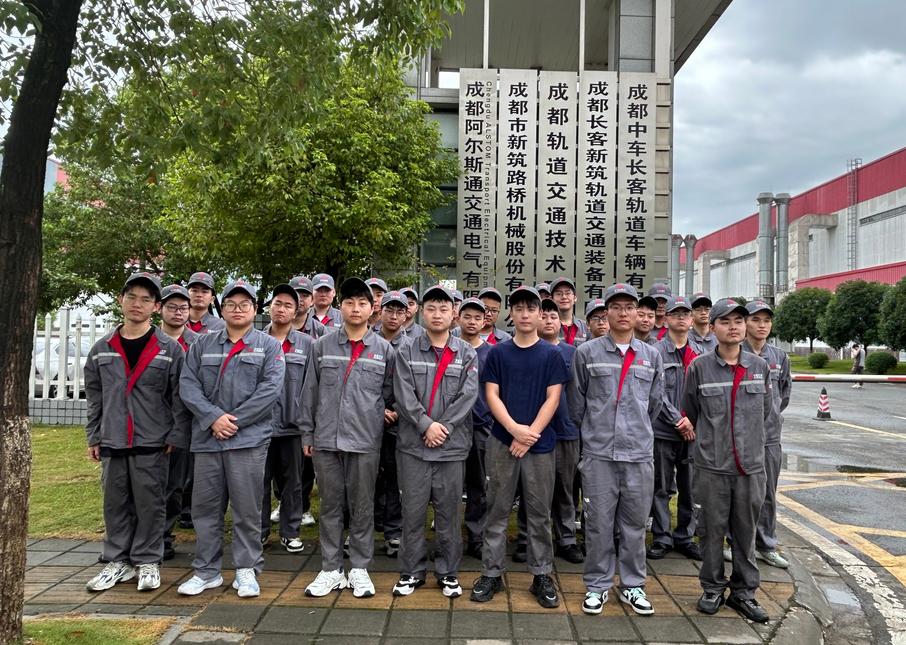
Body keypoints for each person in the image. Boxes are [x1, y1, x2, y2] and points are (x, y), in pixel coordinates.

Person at [178, 279, 285, 598]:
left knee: (247, 508)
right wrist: (213, 418)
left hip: (248, 441)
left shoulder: (268, 346)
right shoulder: (202, 345)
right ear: (221, 309)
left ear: (255, 309)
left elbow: (270, 390)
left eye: (244, 305)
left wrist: (232, 421)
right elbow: (188, 385)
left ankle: (246, 569)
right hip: (208, 440)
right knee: (205, 509)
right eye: (231, 304)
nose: (237, 310)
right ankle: (206, 571)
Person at [84, 272, 190, 593]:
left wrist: (175, 436)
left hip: (153, 441)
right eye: (131, 297)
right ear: (121, 300)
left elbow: (179, 398)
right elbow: (95, 397)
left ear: (156, 307)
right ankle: (117, 560)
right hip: (113, 438)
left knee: (150, 503)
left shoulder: (169, 349)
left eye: (146, 299)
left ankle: (147, 560)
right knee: (115, 502)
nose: (137, 304)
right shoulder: (102, 349)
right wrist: (94, 435)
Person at [568, 283, 664, 617]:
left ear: (638, 313)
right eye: (616, 307)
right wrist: (595, 435)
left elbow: (654, 404)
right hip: (599, 455)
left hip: (638, 454)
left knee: (635, 524)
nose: (623, 313)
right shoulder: (587, 353)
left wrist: (635, 431)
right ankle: (597, 585)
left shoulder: (651, 355)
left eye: (629, 307)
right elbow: (577, 404)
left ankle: (633, 585)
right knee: (597, 523)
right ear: (605, 313)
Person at [470, 286, 568, 609]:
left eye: (531, 309)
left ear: (540, 314)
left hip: (540, 445)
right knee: (497, 510)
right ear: (510, 314)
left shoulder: (552, 355)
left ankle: (541, 575)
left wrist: (529, 435)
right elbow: (491, 395)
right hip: (502, 442)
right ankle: (491, 573)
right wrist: (514, 430)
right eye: (519, 309)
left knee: (539, 514)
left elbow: (553, 398)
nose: (525, 314)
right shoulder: (498, 353)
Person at [301, 278, 395, 599]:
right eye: (350, 302)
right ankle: (330, 569)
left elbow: (391, 393)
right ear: (340, 307)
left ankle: (359, 568)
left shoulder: (384, 350)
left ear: (373, 309)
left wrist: (383, 413)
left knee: (362, 505)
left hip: (365, 441)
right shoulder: (321, 346)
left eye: (362, 303)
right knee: (330, 505)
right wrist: (308, 433)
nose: (356, 308)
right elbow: (309, 393)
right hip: (326, 439)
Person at [681, 298, 772, 623]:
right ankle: (712, 588)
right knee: (710, 531)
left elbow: (766, 412)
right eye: (725, 321)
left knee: (746, 533)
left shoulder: (759, 367)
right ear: (712, 327)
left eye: (739, 321)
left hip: (750, 467)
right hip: (711, 466)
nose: (733, 327)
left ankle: (744, 592)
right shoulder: (699, 368)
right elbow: (691, 410)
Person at [391, 285, 479, 597]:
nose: (437, 314)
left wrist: (442, 427)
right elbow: (403, 394)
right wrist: (426, 425)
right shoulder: (406, 350)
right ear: (421, 313)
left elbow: (468, 396)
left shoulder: (466, 353)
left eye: (443, 309)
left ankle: (448, 572)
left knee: (448, 513)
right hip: (413, 447)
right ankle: (411, 571)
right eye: (431, 308)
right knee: (412, 512)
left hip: (451, 448)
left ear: (454, 313)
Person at [647, 295, 703, 562]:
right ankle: (662, 536)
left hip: (692, 434)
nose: (681, 318)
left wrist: (692, 420)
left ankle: (685, 536)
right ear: (666, 318)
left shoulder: (701, 354)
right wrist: (679, 420)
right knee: (660, 487)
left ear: (691, 320)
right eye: (675, 313)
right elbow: (655, 392)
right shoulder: (655, 352)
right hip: (663, 431)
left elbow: (703, 392)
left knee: (689, 487)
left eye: (686, 314)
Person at [260, 285, 314, 554]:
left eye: (288, 305)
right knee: (259, 482)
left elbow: (311, 387)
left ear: (296, 312)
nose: (281, 309)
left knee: (293, 484)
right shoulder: (255, 340)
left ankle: (290, 531)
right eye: (277, 303)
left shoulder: (307, 344)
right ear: (270, 307)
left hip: (293, 427)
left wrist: (308, 429)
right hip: (259, 426)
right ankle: (259, 532)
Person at [739, 300, 792, 569]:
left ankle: (766, 545)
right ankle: (737, 543)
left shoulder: (779, 357)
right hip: (739, 437)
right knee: (739, 494)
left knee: (768, 493)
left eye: (766, 321)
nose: (762, 325)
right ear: (745, 323)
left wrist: (770, 418)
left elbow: (783, 395)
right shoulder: (735, 353)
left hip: (770, 437)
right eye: (756, 320)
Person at [538, 299, 583, 564]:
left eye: (553, 316)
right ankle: (530, 539)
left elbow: (580, 392)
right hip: (535, 432)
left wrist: (577, 424)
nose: (548, 321)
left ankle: (567, 538)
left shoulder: (573, 353)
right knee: (534, 489)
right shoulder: (528, 350)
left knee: (566, 488)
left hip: (566, 431)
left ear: (560, 322)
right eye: (543, 316)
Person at [158, 284, 199, 561]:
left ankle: (163, 536)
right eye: (172, 307)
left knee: (175, 484)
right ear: (160, 309)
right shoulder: (150, 339)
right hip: (152, 422)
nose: (178, 312)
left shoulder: (198, 343)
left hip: (186, 423)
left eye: (183, 307)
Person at [372, 290, 410, 557]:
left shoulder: (412, 345)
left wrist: (395, 409)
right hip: (367, 422)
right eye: (389, 310)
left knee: (395, 479)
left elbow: (413, 386)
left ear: (406, 315)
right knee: (365, 480)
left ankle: (393, 532)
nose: (394, 316)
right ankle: (363, 529)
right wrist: (378, 410)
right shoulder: (367, 340)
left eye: (399, 311)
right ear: (380, 311)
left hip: (399, 423)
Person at [457, 297, 494, 559]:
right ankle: (449, 540)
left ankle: (476, 537)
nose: (472, 322)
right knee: (449, 487)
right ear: (458, 318)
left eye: (477, 318)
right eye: (467, 316)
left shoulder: (492, 353)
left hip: (482, 426)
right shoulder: (450, 348)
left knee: (479, 486)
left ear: (485, 321)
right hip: (452, 428)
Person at [550, 277, 588, 346]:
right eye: (559, 294)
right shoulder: (547, 326)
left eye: (567, 293)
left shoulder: (585, 328)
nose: (564, 297)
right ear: (551, 299)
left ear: (575, 298)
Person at [289, 276, 326, 340]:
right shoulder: (276, 325)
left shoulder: (320, 330)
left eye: (305, 296)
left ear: (312, 301)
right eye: (296, 294)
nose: (300, 299)